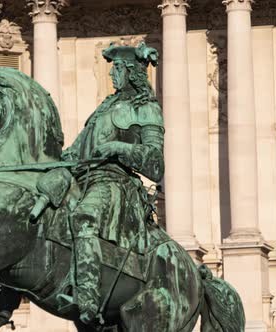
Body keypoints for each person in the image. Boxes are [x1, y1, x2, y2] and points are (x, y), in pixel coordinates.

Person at [59, 42, 165, 325]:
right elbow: (76, 150)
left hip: (115, 183)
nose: (112, 75)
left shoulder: (147, 109)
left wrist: (119, 148)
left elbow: (156, 163)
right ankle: (6, 295)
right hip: (83, 178)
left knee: (84, 217)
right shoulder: (103, 108)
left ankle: (89, 298)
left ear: (131, 72)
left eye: (117, 68)